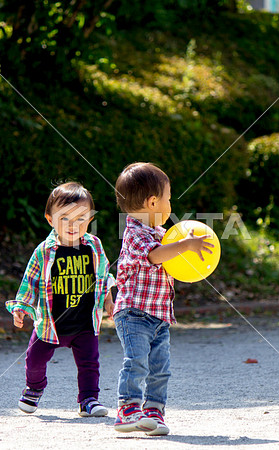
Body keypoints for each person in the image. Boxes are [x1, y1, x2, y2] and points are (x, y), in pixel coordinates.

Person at [113, 162, 214, 435]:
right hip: (134, 313)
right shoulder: (134, 233)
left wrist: (186, 253)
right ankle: (128, 409)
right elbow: (155, 256)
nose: (170, 205)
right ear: (153, 201)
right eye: (169, 198)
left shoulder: (161, 233)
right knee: (137, 361)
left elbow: (169, 262)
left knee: (160, 368)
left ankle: (154, 411)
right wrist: (185, 245)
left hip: (159, 315)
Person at [6, 182, 115, 417]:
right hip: (50, 324)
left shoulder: (94, 246)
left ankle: (88, 400)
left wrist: (108, 301)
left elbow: (104, 276)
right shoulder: (44, 251)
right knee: (34, 361)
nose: (74, 225)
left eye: (81, 218)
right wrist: (21, 307)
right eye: (65, 218)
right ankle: (34, 388)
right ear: (50, 219)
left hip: (85, 323)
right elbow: (31, 281)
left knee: (89, 363)